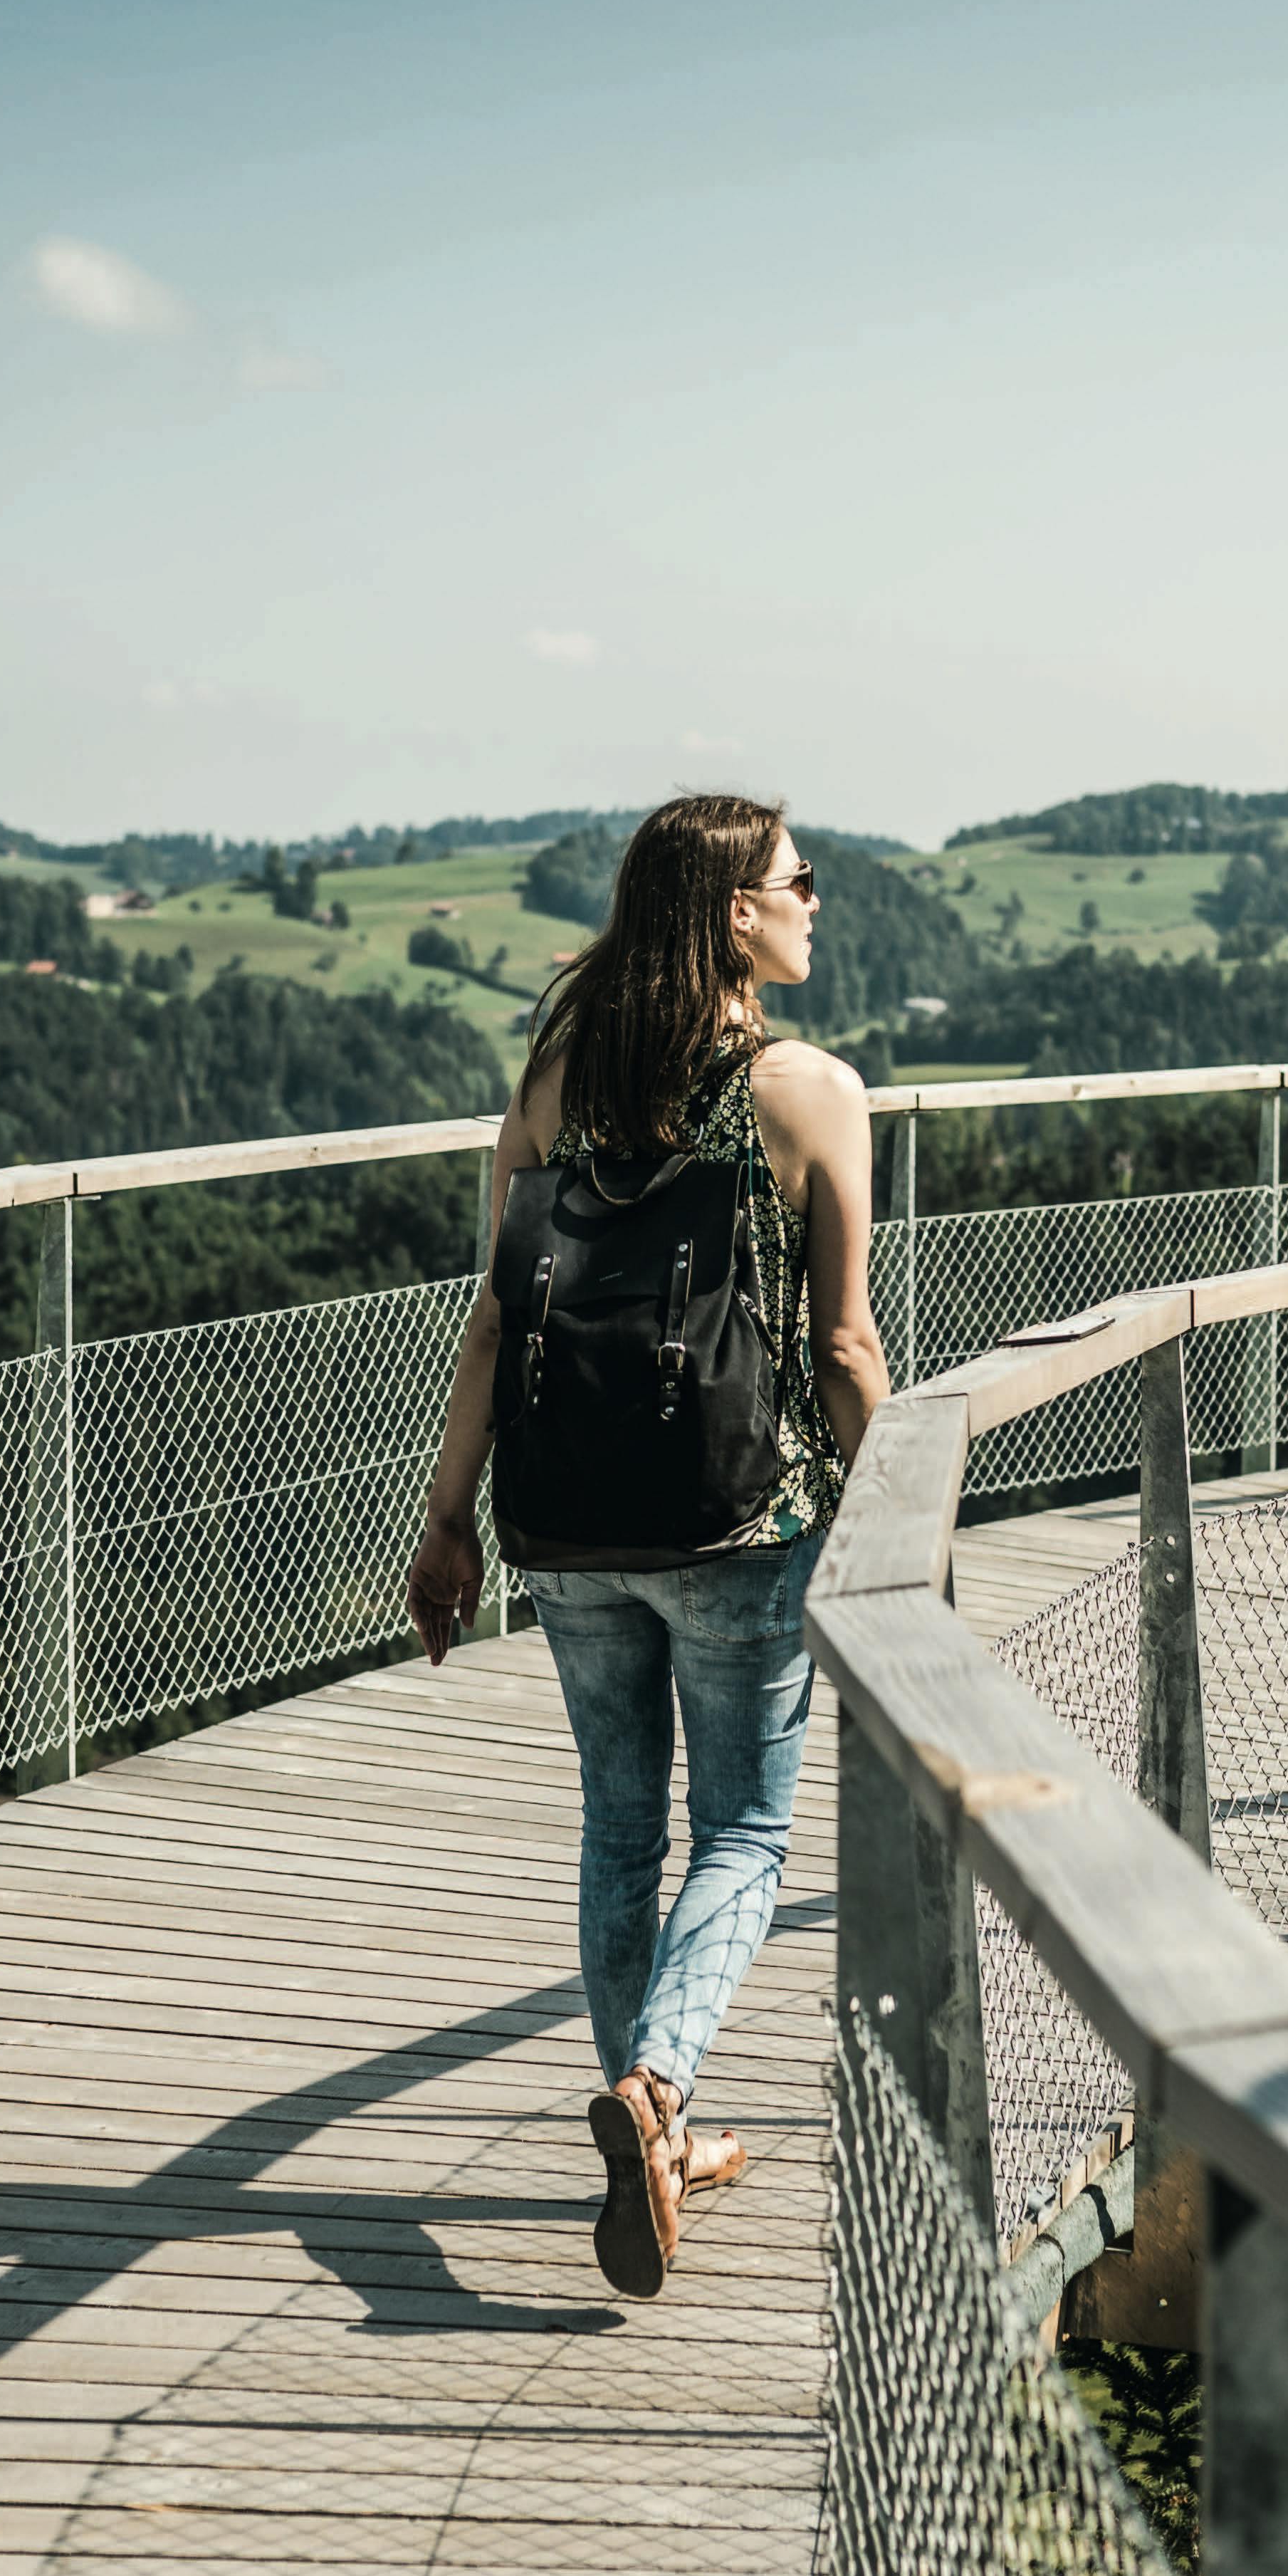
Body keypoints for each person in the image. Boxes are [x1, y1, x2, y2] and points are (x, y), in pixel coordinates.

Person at [404, 794, 886, 2300]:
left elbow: (497, 1306)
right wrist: (908, 1522)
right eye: (797, 880)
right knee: (744, 1827)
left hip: (563, 1518)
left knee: (624, 1824)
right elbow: (846, 1345)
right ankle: (661, 2090)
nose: (817, 897)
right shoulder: (805, 1088)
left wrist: (445, 1519)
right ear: (738, 914)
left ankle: (653, 2139)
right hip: (738, 1519)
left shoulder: (557, 1073)